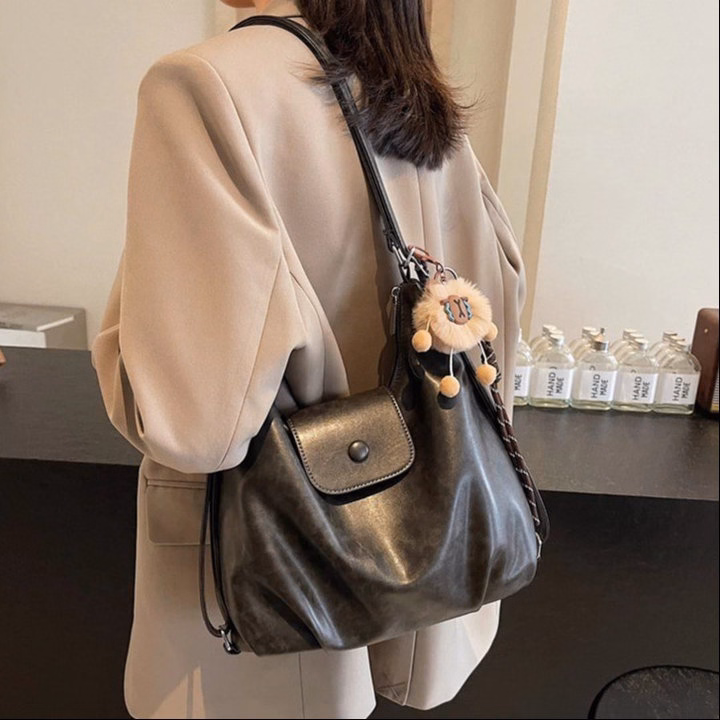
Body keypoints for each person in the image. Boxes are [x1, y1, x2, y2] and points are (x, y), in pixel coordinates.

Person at [91, 0, 526, 717]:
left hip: (276, 604)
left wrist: (122, 338)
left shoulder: (202, 84)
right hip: (433, 576)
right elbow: (492, 322)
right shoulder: (412, 90)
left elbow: (193, 427)